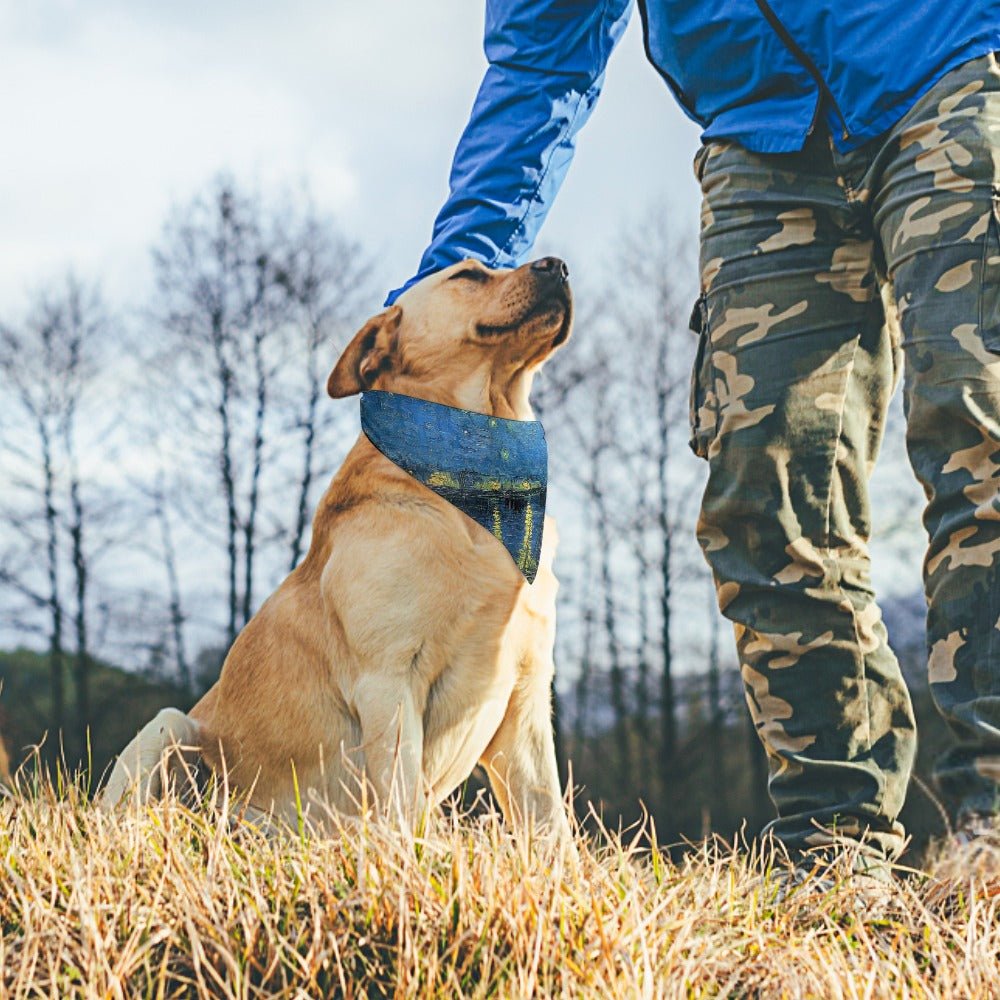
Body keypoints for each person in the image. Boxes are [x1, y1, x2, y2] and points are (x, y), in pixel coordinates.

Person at [387, 1, 1000, 874]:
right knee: (766, 498)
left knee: (979, 432)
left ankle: (993, 834)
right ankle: (836, 851)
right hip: (762, 138)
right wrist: (451, 288)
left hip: (950, 60)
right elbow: (540, 64)